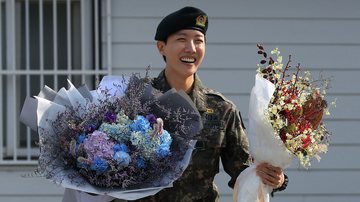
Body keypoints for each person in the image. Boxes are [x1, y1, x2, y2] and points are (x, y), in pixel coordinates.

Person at [63, 6, 288, 202]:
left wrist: (274, 177)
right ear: (162, 47)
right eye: (181, 39)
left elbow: (244, 169)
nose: (191, 48)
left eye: (198, 41)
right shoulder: (134, 99)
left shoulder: (221, 109)